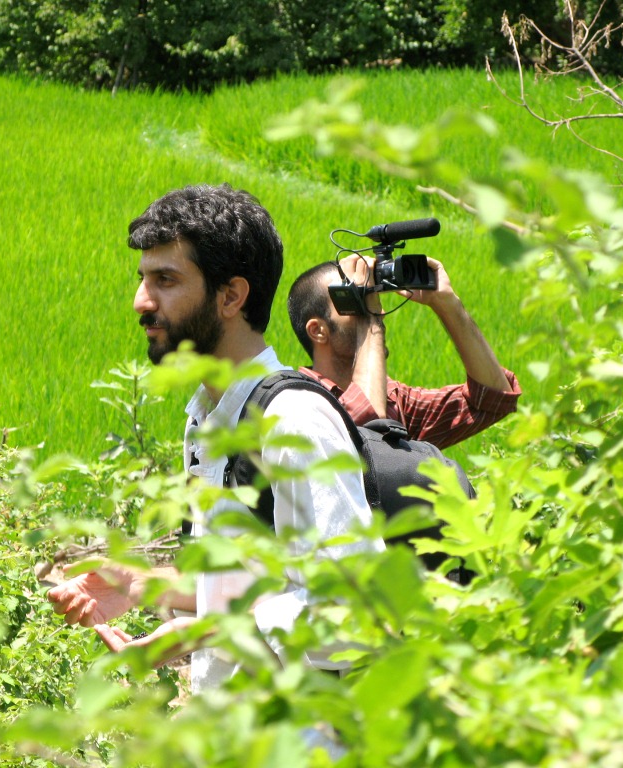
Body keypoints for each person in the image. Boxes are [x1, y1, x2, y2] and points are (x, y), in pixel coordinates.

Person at [47, 183, 382, 696]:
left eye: (165, 280)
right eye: (143, 279)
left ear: (231, 296)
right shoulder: (209, 418)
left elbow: (352, 611)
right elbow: (252, 582)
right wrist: (139, 584)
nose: (141, 302)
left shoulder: (292, 420)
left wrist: (210, 633)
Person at [287, 254, 521, 449]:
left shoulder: (394, 400)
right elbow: (368, 423)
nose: (380, 311)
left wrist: (447, 303)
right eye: (355, 300)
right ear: (318, 331)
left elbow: (492, 398)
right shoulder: (299, 403)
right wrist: (370, 318)